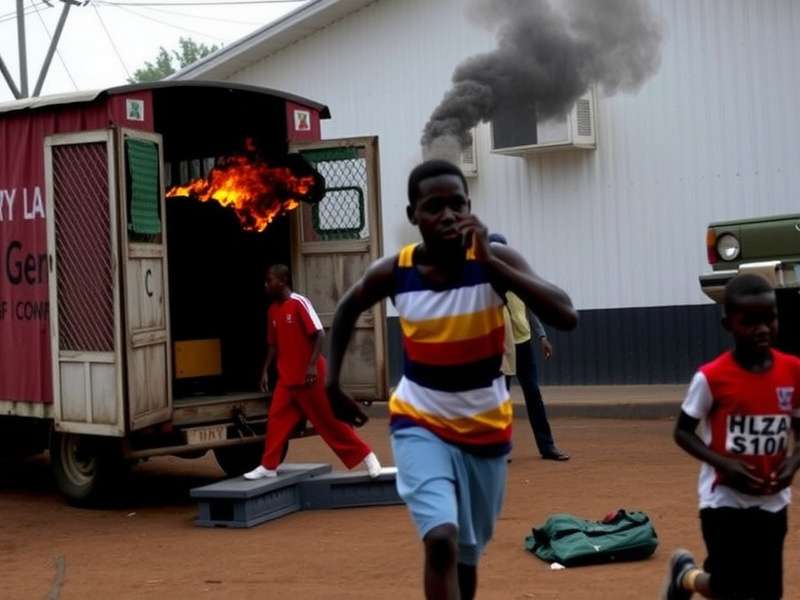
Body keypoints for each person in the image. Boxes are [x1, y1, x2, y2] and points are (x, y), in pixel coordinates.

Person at [324, 160, 577, 600]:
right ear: (412, 215)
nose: (446, 215)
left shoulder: (496, 262)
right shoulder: (397, 272)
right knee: (440, 541)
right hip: (419, 422)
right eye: (432, 206)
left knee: (466, 556)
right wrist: (332, 384)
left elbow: (565, 314)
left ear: (470, 208)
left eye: (456, 205)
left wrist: (493, 266)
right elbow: (347, 308)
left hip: (485, 430)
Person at [663, 274, 800, 600]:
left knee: (768, 591)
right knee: (730, 587)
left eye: (769, 319)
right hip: (723, 499)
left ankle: (686, 576)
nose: (763, 329)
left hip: (772, 501)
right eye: (750, 322)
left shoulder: (793, 371)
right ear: (728, 324)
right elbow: (682, 431)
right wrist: (724, 463)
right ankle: (687, 575)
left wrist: (793, 463)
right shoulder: (712, 377)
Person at [244, 264, 382, 480]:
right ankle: (268, 466)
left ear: (282, 281)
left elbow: (319, 334)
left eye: (269, 280)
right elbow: (273, 344)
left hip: (312, 376)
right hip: (287, 379)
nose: (266, 284)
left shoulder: (299, 303)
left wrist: (310, 366)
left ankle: (367, 455)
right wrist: (264, 370)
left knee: (331, 422)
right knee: (276, 421)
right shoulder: (272, 310)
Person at [489, 233, 569, 461]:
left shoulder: (518, 278)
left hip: (523, 343)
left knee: (533, 393)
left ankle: (548, 447)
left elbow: (531, 308)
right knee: (501, 399)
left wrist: (542, 336)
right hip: (501, 347)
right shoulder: (487, 283)